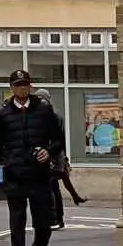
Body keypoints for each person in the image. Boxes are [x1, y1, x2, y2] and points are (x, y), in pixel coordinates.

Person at [0, 69, 68, 246]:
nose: (22, 88)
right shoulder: (3, 115)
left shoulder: (43, 110)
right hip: (15, 177)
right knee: (16, 229)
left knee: (44, 227)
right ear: (12, 88)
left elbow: (58, 140)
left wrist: (48, 151)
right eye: (18, 85)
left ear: (30, 86)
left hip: (39, 177)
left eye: (26, 84)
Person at [31, 89, 86, 228]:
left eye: (41, 98)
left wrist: (55, 157)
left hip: (52, 157)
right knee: (54, 187)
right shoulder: (50, 114)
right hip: (54, 156)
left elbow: (56, 139)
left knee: (51, 188)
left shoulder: (51, 115)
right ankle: (59, 217)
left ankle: (54, 218)